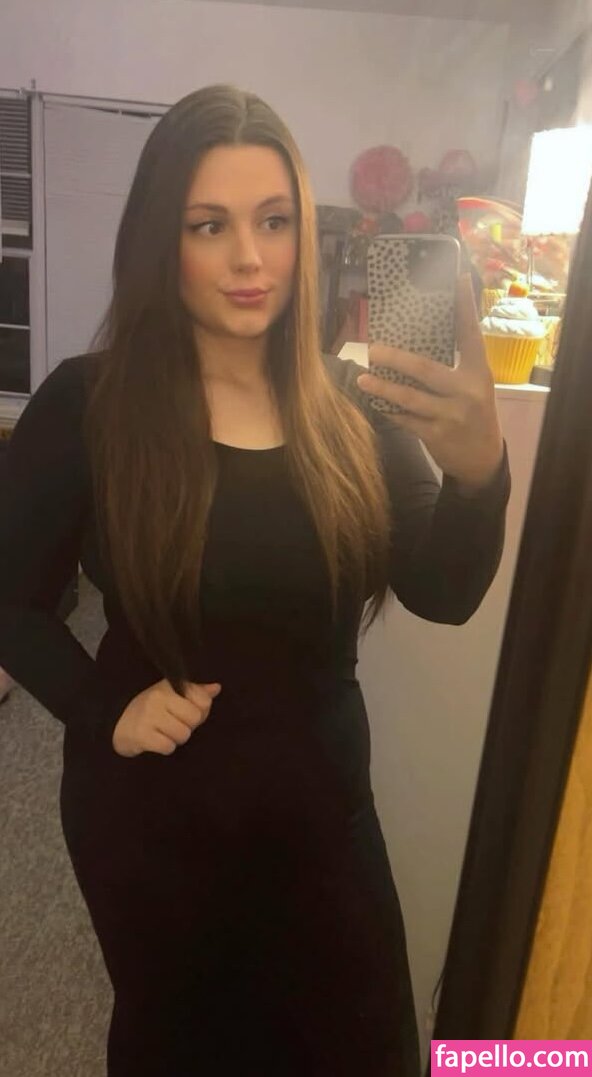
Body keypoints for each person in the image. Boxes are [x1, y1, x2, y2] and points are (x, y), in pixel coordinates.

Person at [0, 84, 510, 1076]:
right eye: (210, 225)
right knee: (181, 1049)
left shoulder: (353, 412)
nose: (249, 257)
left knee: (364, 1045)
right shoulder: (90, 405)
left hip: (322, 814)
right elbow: (9, 600)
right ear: (162, 239)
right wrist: (102, 706)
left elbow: (443, 590)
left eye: (274, 221)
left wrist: (480, 475)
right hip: (153, 816)